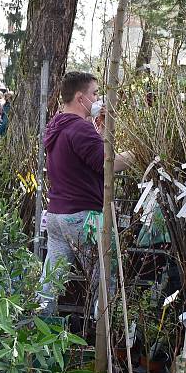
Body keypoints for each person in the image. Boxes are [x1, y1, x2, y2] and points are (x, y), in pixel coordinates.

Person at [39, 71, 134, 314]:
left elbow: (81, 159)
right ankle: (106, 336)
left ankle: (36, 334)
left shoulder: (57, 125)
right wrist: (138, 154)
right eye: (95, 93)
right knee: (105, 280)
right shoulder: (80, 128)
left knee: (50, 284)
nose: (98, 98)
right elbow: (105, 163)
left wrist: (98, 133)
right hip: (84, 218)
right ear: (80, 98)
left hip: (57, 216)